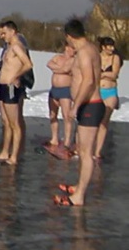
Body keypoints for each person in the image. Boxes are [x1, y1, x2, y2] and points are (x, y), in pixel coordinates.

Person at [54, 19, 104, 206]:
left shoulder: (84, 52)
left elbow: (89, 81)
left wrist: (75, 107)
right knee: (81, 149)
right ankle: (79, 185)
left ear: (69, 36)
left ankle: (79, 196)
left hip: (90, 105)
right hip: (87, 105)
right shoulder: (90, 49)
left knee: (86, 152)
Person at [0, 22, 33, 165]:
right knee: (7, 122)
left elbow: (28, 64)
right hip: (4, 87)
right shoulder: (9, 47)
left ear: (13, 31)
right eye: (0, 35)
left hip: (11, 87)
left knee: (14, 123)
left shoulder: (17, 46)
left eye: (4, 34)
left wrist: (16, 76)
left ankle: (14, 156)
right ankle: (4, 152)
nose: (2, 37)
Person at [94, 36, 123, 160]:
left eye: (113, 46)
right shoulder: (97, 56)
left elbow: (114, 75)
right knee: (93, 120)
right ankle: (85, 147)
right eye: (109, 46)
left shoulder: (115, 58)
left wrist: (103, 74)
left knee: (104, 122)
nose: (112, 49)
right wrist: (102, 76)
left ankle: (98, 151)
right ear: (103, 47)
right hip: (97, 90)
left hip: (110, 91)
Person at [45, 43, 75, 148]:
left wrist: (57, 68)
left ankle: (67, 141)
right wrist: (60, 69)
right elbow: (49, 64)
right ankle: (54, 138)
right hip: (54, 89)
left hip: (65, 90)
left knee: (67, 116)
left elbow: (66, 70)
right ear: (67, 47)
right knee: (53, 115)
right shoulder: (58, 57)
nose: (74, 51)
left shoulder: (73, 60)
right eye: (72, 48)